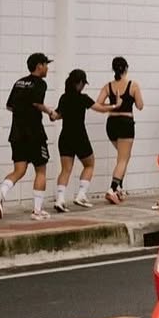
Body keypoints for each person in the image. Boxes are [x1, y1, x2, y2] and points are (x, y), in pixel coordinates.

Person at [0, 53, 57, 220]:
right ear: (39, 66)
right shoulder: (40, 83)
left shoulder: (18, 82)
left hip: (17, 133)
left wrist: (22, 113)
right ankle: (37, 210)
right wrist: (50, 112)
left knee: (19, 170)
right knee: (41, 170)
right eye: (46, 64)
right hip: (34, 133)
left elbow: (9, 106)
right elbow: (36, 103)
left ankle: (1, 193)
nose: (47, 68)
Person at [51, 69, 106, 211]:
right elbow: (100, 108)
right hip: (79, 136)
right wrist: (115, 106)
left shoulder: (64, 97)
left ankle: (60, 199)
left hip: (65, 137)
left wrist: (52, 115)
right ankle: (81, 195)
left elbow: (57, 115)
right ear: (80, 83)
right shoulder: (83, 98)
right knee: (89, 164)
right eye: (83, 84)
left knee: (65, 170)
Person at [100, 56, 144, 204]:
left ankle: (119, 187)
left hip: (111, 123)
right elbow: (140, 105)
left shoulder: (108, 86)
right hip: (125, 123)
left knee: (122, 157)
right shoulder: (133, 85)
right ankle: (112, 189)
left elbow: (98, 104)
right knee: (123, 159)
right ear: (126, 68)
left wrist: (112, 105)